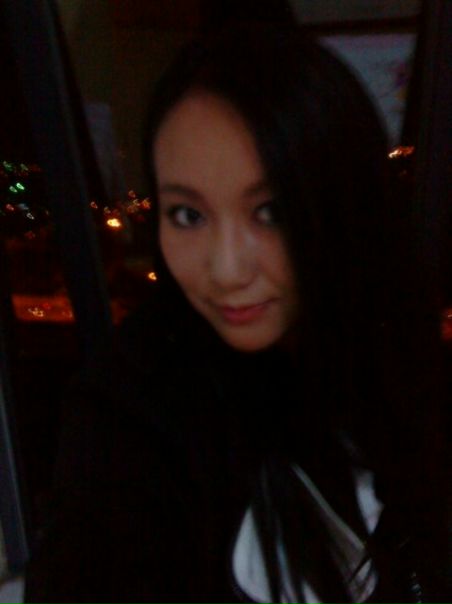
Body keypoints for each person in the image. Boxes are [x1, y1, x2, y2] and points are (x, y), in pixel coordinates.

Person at [25, 23, 450, 604]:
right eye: (188, 215)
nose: (226, 270)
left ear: (342, 203)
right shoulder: (131, 413)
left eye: (269, 211)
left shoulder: (398, 364)